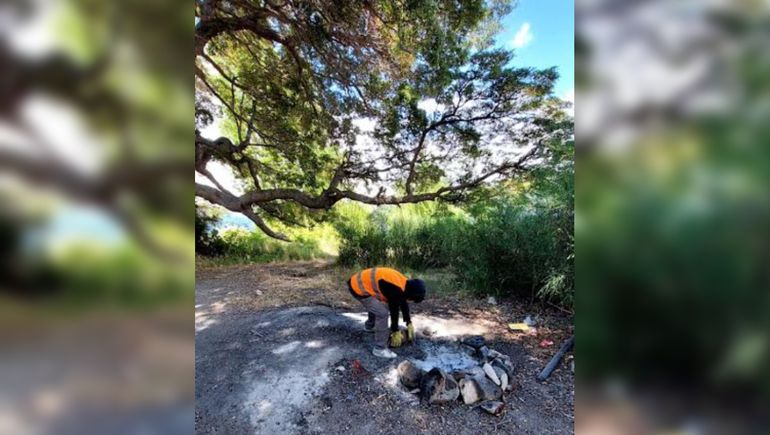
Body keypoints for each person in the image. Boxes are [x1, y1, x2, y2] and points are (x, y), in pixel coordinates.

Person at [348, 267, 426, 358]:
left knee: (377, 306)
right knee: (382, 313)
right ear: (411, 294)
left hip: (359, 282)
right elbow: (394, 311)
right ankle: (379, 349)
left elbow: (403, 302)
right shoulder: (395, 289)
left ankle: (370, 326)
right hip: (358, 287)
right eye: (411, 299)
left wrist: (408, 322)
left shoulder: (405, 284)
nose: (409, 300)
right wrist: (395, 330)